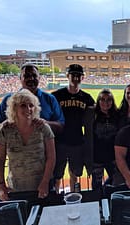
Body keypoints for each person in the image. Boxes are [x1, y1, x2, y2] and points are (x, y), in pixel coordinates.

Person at [0, 89, 56, 201]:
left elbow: (51, 158)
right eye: (23, 105)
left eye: (31, 105)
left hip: (42, 188)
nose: (28, 109)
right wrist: (1, 186)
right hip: (15, 188)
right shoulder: (5, 130)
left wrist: (45, 182)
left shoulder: (43, 128)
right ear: (14, 108)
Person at [51, 64, 95, 192]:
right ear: (67, 76)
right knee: (57, 174)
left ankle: (73, 196)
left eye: (78, 75)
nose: (75, 78)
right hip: (59, 142)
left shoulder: (87, 98)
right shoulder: (56, 96)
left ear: (82, 77)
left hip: (77, 141)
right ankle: (56, 197)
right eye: (73, 75)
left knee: (74, 173)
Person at [0, 63, 64, 134]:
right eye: (26, 76)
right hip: (14, 144)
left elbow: (60, 125)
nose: (31, 78)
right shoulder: (8, 99)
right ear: (20, 79)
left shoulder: (50, 99)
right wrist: (5, 125)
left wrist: (44, 124)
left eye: (34, 75)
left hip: (43, 144)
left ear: (39, 78)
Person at [91, 89, 119, 192]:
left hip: (113, 157)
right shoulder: (92, 115)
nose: (106, 103)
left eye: (109, 100)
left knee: (116, 183)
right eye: (102, 99)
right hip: (97, 157)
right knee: (96, 186)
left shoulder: (117, 115)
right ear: (98, 101)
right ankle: (98, 204)